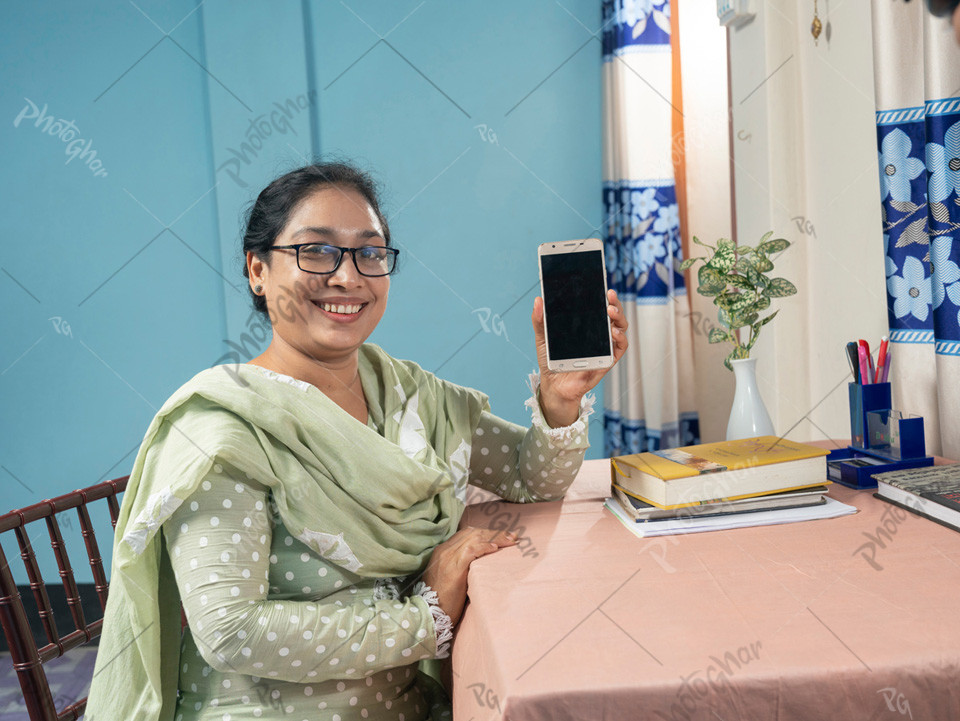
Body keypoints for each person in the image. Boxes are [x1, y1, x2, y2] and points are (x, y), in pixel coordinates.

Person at [85, 161, 628, 721]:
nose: (348, 277)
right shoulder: (225, 429)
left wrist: (559, 397)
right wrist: (428, 614)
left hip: (407, 705)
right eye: (316, 251)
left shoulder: (408, 393)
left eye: (370, 253)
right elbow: (231, 631)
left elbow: (528, 478)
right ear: (258, 271)